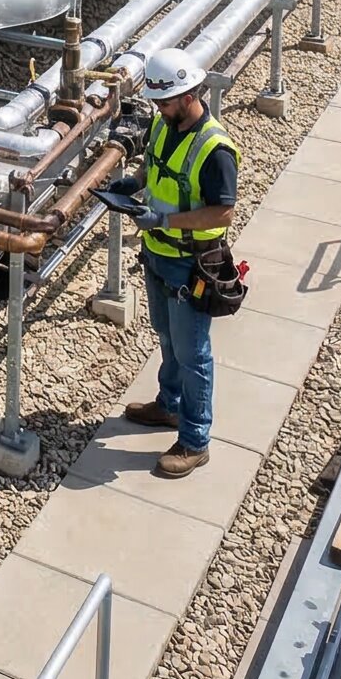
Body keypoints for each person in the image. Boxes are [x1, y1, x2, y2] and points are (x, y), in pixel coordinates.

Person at [119, 48, 240, 479]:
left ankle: (194, 440)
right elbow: (154, 167)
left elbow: (222, 212)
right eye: (156, 102)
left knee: (193, 354)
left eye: (165, 102)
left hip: (190, 265)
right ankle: (168, 405)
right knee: (167, 337)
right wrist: (133, 183)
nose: (159, 109)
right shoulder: (162, 122)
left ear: (189, 95)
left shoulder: (215, 149)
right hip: (158, 252)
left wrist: (165, 219)